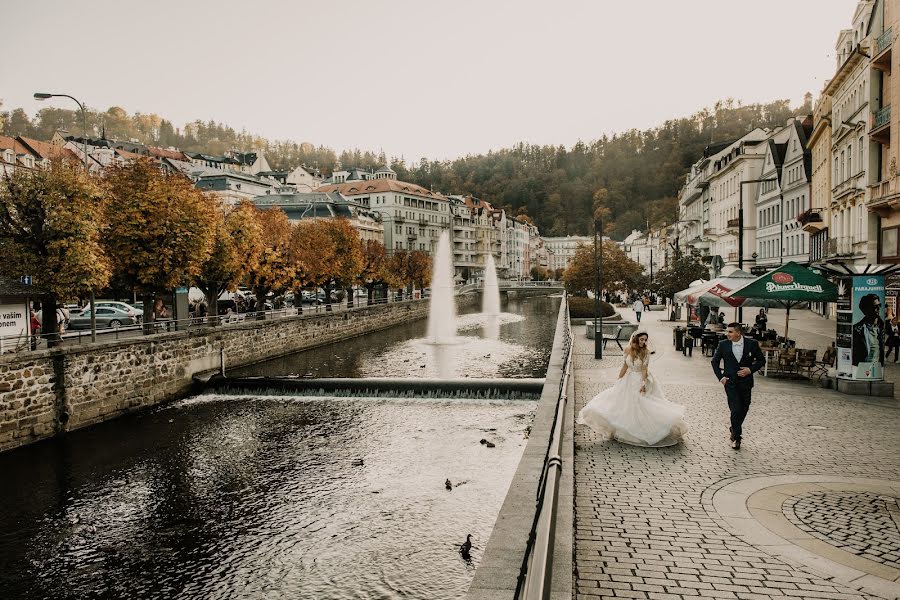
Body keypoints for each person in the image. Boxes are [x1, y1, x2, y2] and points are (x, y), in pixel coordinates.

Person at [577, 332, 686, 447]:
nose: (644, 342)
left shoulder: (646, 353)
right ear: (636, 339)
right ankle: (620, 428)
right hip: (628, 379)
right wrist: (619, 379)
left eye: (645, 340)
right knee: (620, 404)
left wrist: (643, 384)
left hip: (640, 378)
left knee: (640, 405)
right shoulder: (628, 350)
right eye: (642, 339)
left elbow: (644, 369)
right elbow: (625, 366)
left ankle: (642, 430)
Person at [711, 322, 766, 450]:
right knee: (735, 409)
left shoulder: (751, 344)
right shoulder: (723, 344)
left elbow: (761, 360)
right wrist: (721, 377)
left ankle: (734, 428)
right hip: (730, 383)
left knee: (745, 407)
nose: (727, 334)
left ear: (738, 333)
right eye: (727, 331)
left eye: (730, 332)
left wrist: (750, 370)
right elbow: (714, 361)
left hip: (746, 382)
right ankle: (737, 437)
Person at [852, 293, 885, 367]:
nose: (878, 309)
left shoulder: (882, 327)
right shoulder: (857, 329)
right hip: (862, 368)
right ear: (865, 310)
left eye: (879, 305)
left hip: (877, 368)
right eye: (874, 307)